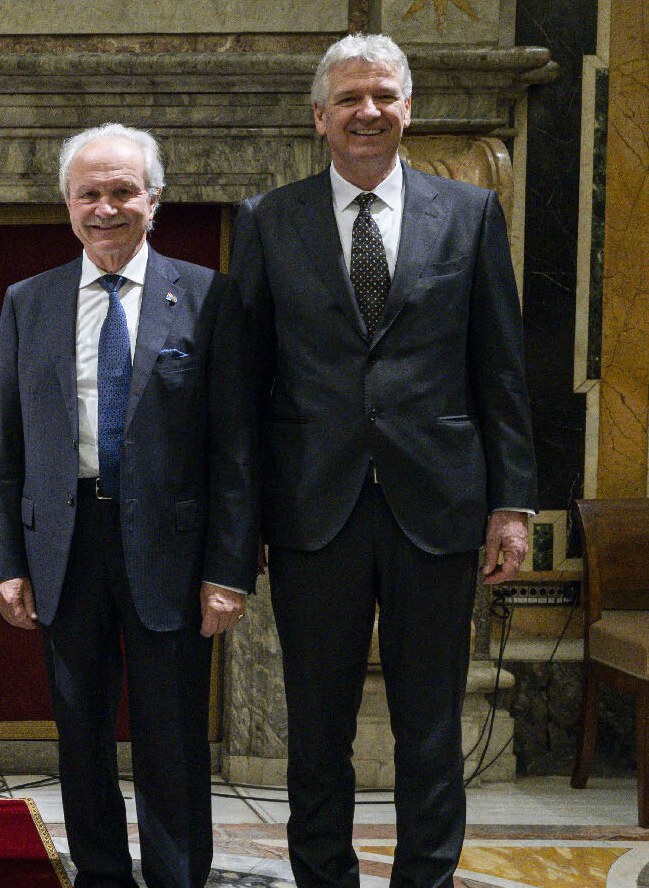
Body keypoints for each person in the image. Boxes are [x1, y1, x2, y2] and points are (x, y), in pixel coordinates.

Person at [210, 34, 538, 888]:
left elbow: (499, 368)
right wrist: (236, 537)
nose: (368, 112)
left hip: (437, 507)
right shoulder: (266, 221)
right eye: (350, 98)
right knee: (316, 734)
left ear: (408, 109)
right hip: (315, 511)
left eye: (384, 96)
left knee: (431, 731)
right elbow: (241, 396)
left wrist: (512, 506)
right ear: (319, 117)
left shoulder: (467, 216)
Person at [0, 123, 239, 888]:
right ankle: (98, 874)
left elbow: (235, 445)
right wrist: (8, 560)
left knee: (172, 738)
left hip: (172, 548)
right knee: (81, 737)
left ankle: (177, 876)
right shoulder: (30, 301)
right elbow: (6, 441)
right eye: (88, 193)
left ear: (154, 201)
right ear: (67, 203)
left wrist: (229, 568)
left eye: (122, 191)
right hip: (67, 544)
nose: (105, 208)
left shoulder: (205, 294)